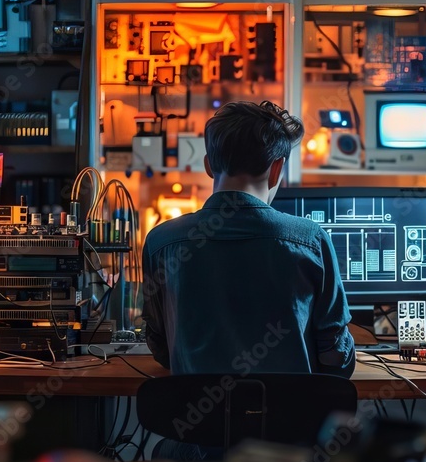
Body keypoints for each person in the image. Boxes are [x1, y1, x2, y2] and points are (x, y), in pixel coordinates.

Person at [141, 101, 356, 379]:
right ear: (277, 168)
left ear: (208, 165)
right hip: (289, 421)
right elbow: (336, 358)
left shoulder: (161, 243)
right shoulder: (310, 241)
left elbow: (161, 349)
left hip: (197, 421)